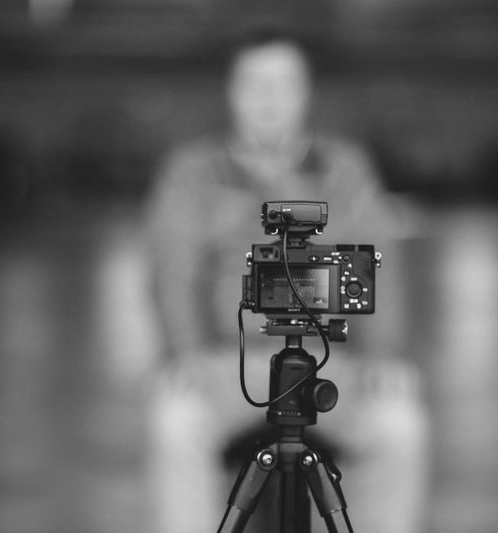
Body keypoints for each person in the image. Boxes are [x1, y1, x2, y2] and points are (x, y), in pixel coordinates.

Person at [144, 26, 430, 532]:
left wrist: (386, 355)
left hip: (331, 362)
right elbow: (172, 269)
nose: (269, 98)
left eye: (283, 83)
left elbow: (382, 261)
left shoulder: (345, 169)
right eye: (255, 83)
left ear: (306, 92)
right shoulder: (193, 172)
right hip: (228, 365)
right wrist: (184, 351)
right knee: (175, 421)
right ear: (232, 92)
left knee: (401, 426)